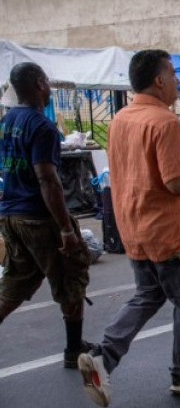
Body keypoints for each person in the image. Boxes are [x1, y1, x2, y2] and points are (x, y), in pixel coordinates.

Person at [77, 50, 180, 406]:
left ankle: (103, 356)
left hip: (135, 227)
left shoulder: (121, 119)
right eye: (172, 74)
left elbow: (144, 164)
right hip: (170, 231)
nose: (177, 81)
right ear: (158, 80)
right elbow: (175, 182)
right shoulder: (165, 123)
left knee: (149, 294)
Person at [0, 62, 92, 369]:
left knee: (15, 283)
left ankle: (74, 346)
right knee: (71, 278)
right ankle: (73, 348)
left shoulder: (8, 119)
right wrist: (66, 229)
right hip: (39, 218)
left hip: (12, 215)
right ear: (40, 84)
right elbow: (47, 179)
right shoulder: (42, 127)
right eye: (48, 83)